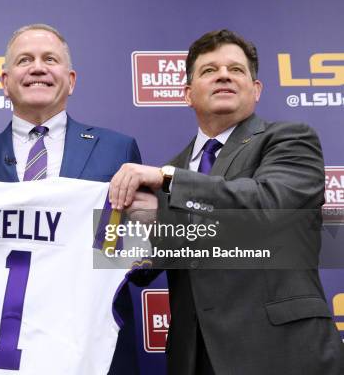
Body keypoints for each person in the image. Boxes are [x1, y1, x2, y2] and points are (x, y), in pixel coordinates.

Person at [109, 29, 343, 374]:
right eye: (209, 70)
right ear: (188, 94)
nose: (223, 75)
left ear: (256, 89)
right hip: (195, 355)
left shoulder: (290, 139)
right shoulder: (169, 170)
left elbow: (270, 204)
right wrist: (140, 228)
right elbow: (147, 267)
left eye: (236, 69)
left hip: (282, 351)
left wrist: (171, 181)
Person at [0, 24, 144, 375]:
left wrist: (139, 231)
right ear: (5, 82)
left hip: (92, 344)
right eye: (25, 60)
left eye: (49, 59)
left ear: (70, 80)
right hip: (3, 351)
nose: (38, 68)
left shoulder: (118, 149)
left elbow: (139, 260)